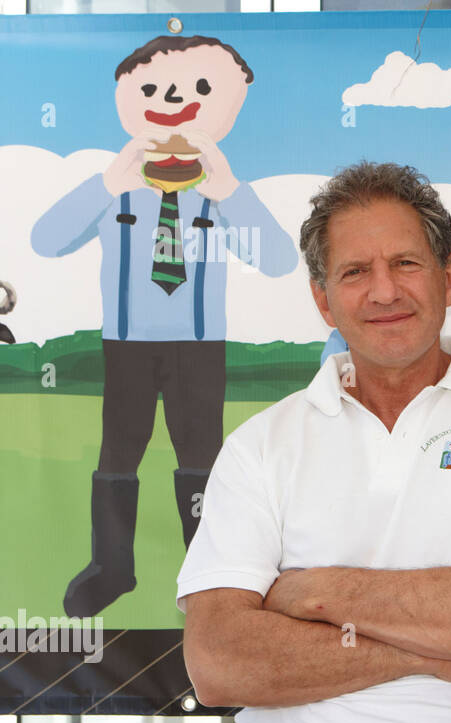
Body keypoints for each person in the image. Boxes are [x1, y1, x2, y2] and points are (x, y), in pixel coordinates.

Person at [176, 161, 451, 723]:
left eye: (406, 263)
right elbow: (219, 663)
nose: (384, 291)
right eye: (355, 271)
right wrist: (437, 654)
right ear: (324, 301)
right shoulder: (260, 444)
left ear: (449, 277)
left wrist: (314, 594)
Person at [31, 35, 298, 618]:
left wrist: (228, 188)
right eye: (150, 89)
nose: (174, 99)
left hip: (200, 346)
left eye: (201, 89)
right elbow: (45, 240)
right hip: (126, 344)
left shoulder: (220, 193)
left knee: (202, 453)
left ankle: (208, 569)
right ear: (126, 99)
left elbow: (278, 259)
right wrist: (106, 182)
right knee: (117, 452)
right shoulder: (116, 187)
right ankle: (112, 567)